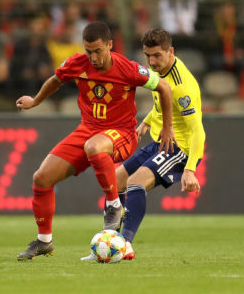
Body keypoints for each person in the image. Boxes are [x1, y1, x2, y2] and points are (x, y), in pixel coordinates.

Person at [15, 21, 175, 261]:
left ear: (110, 45)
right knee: (41, 178)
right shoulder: (77, 64)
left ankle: (114, 206)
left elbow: (164, 87)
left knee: (94, 146)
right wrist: (36, 101)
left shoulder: (129, 69)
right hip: (87, 130)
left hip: (121, 134)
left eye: (98, 51)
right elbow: (56, 80)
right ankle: (44, 241)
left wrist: (168, 127)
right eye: (89, 51)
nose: (93, 57)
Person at [82, 28, 204, 261]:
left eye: (157, 55)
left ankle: (125, 244)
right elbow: (163, 105)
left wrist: (190, 169)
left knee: (136, 182)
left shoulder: (182, 86)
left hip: (180, 148)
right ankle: (108, 243)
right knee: (116, 179)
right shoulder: (160, 73)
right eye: (147, 56)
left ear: (171, 52)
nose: (151, 61)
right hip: (161, 141)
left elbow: (197, 129)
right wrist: (148, 121)